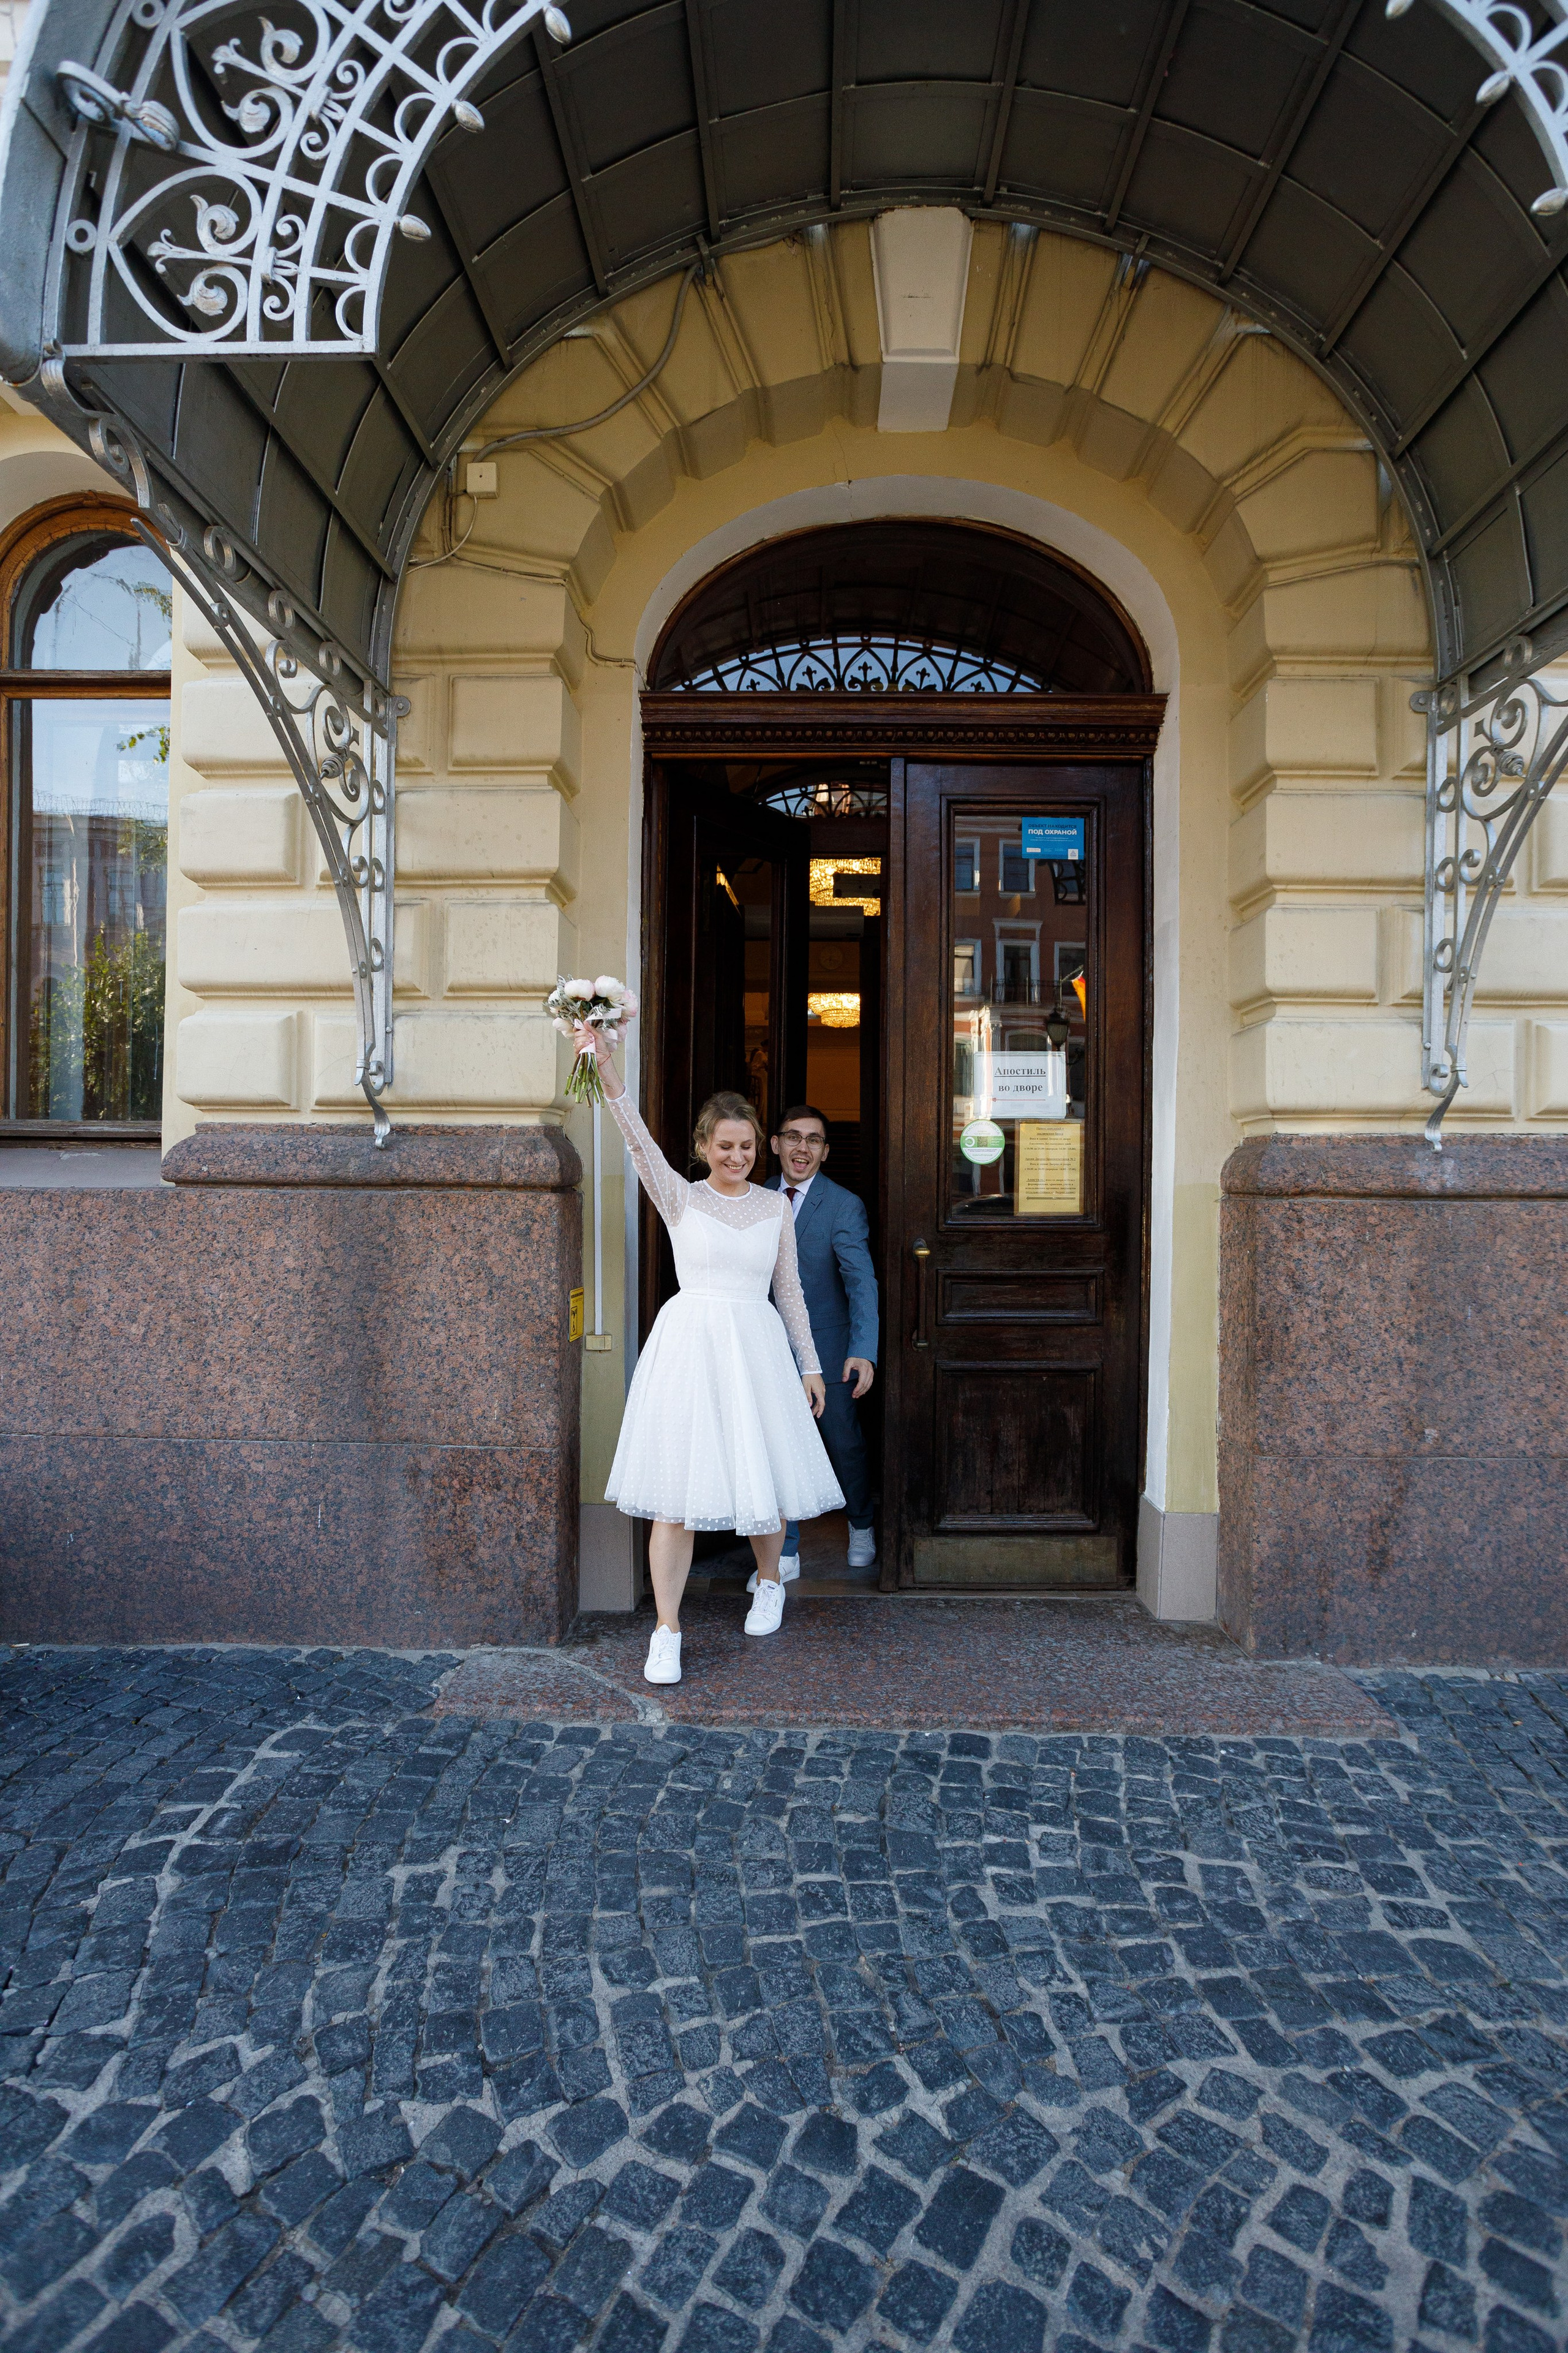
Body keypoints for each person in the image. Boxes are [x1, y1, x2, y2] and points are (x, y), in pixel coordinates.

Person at [572, 1020, 843, 1686]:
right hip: (689, 1348)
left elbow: (791, 1292)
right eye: (725, 1145)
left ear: (762, 1148)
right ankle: (666, 1630)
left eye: (747, 1146)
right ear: (702, 1147)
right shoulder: (678, 1196)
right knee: (675, 1492)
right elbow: (634, 1136)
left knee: (765, 1477)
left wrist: (809, 1364)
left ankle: (771, 1581)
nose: (737, 1156)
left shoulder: (775, 1208)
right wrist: (605, 1065)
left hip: (756, 1347)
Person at [760, 1103, 880, 1583]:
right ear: (775, 1144)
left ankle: (862, 1523)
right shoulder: (755, 1195)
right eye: (793, 1137)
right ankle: (786, 1552)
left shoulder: (843, 1204)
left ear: (826, 1152)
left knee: (844, 1444)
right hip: (766, 1347)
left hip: (829, 1351)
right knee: (776, 1449)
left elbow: (860, 1282)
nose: (802, 1147)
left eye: (813, 1140)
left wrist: (863, 1348)